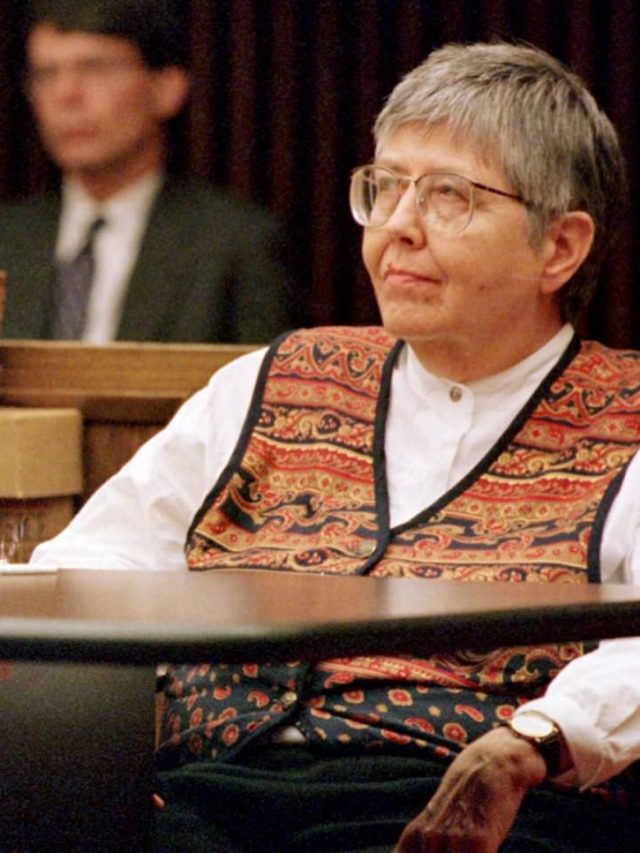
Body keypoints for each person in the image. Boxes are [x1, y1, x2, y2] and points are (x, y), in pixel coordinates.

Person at [31, 40, 640, 852]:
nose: (399, 227)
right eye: (385, 188)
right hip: (209, 795)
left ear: (559, 247)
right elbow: (87, 571)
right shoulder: (277, 380)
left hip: (465, 804)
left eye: (449, 196)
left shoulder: (625, 416)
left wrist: (533, 741)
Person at [0, 0, 297, 343]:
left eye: (94, 68)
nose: (66, 94)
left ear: (166, 88)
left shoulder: (235, 245)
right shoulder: (8, 237)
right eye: (46, 74)